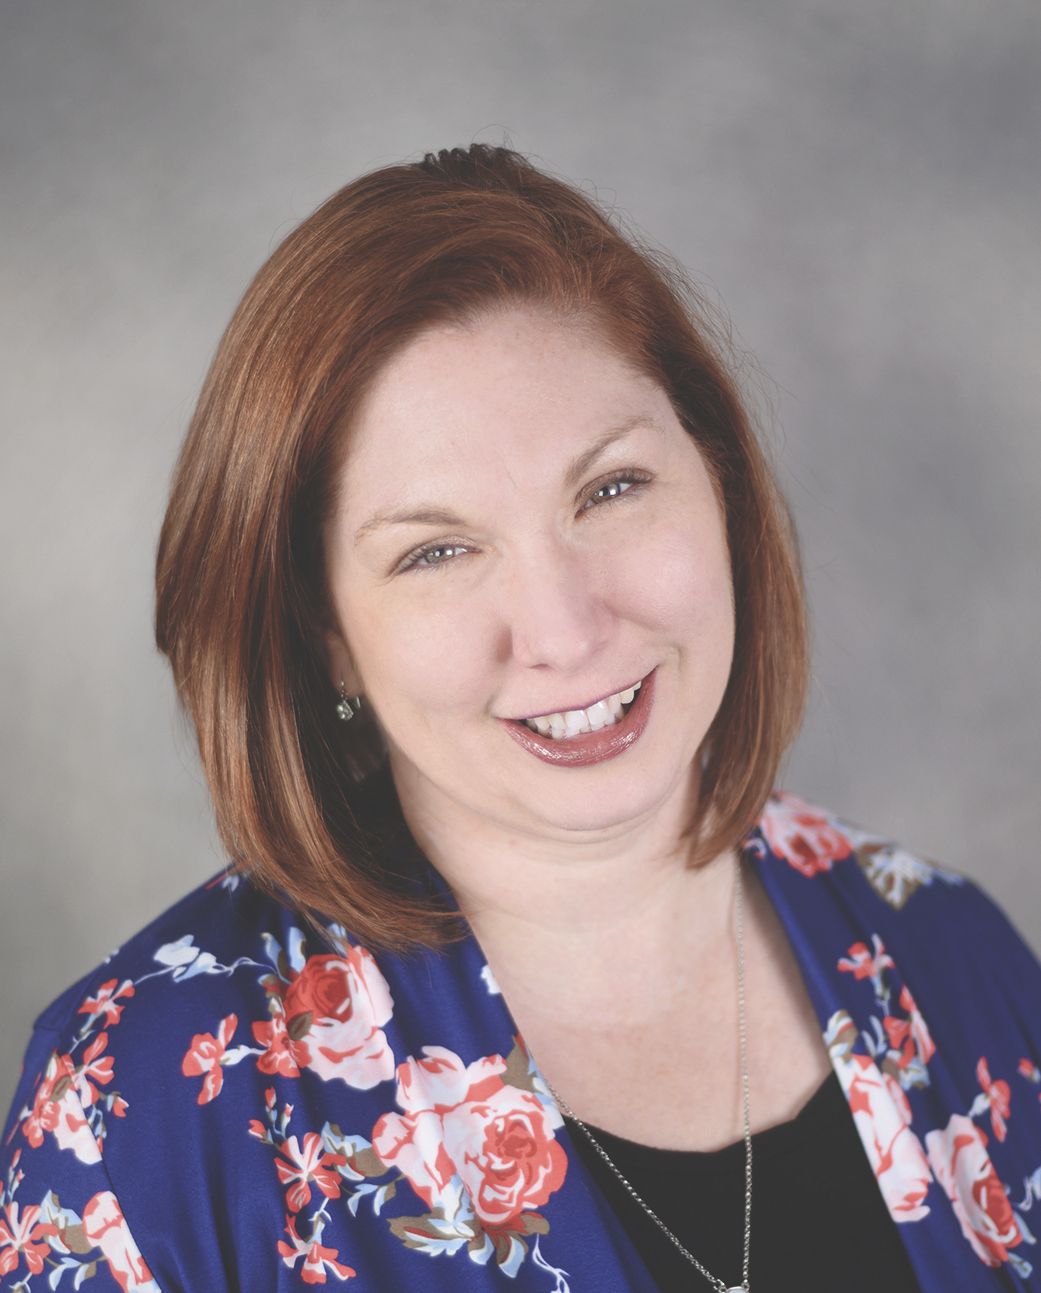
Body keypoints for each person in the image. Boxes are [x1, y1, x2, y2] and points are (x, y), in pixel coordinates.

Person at [1, 145, 1039, 1293]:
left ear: (723, 483)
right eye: (437, 551)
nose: (563, 627)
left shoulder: (951, 957)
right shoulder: (135, 1107)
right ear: (326, 630)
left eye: (611, 489)